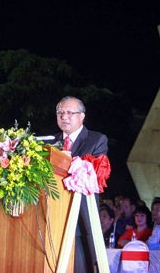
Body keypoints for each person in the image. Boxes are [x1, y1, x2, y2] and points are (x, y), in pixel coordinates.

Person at [53, 96, 108, 273]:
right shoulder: (49, 144)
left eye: (70, 113)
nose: (64, 117)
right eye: (60, 113)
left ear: (82, 116)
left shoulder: (96, 140)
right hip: (52, 219)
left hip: (80, 220)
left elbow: (95, 176)